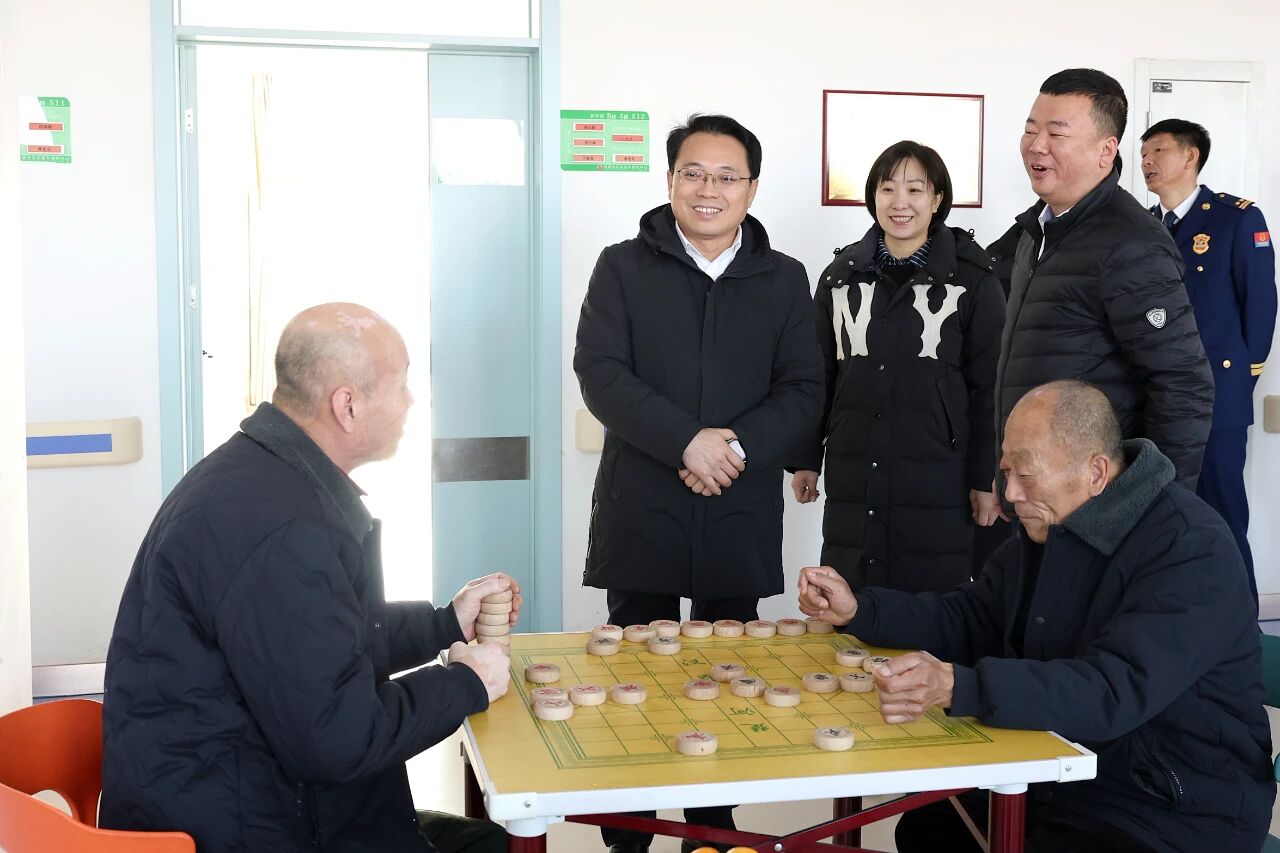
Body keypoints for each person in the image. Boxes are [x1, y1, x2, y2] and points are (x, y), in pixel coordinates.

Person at [102, 303, 514, 853]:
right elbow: (338, 740)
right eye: (402, 384)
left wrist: (445, 625)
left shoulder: (263, 476)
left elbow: (325, 641)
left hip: (241, 791)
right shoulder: (282, 528)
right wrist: (465, 684)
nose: (412, 401)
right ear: (347, 405)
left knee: (486, 841)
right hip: (239, 826)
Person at [797, 380, 1274, 853]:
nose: (1010, 493)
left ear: (1096, 472)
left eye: (1026, 475)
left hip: (1167, 804)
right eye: (1006, 472)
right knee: (929, 829)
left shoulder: (1189, 547)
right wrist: (861, 609)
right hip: (1058, 768)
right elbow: (972, 617)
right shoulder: (1054, 522)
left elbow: (1113, 689)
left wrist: (958, 687)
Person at [573, 113, 824, 853]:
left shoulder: (784, 278)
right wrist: (685, 440)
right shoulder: (622, 266)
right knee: (633, 677)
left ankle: (712, 830)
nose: (708, 189)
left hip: (737, 502)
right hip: (643, 502)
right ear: (670, 179)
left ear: (751, 188)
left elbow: (803, 388)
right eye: (693, 172)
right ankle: (628, 833)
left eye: (726, 176)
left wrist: (731, 448)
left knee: (728, 672)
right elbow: (600, 373)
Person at [791, 140, 1005, 593]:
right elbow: (818, 375)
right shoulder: (840, 276)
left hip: (940, 474)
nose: (899, 203)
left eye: (915, 190)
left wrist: (986, 476)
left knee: (932, 604)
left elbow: (991, 387)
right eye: (887, 189)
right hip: (854, 469)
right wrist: (806, 457)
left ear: (937, 199)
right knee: (851, 599)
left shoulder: (973, 279)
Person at [997, 68, 1214, 492]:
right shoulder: (1036, 233)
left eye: (1057, 133)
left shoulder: (1132, 243)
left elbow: (1183, 385)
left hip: (1091, 499)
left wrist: (1153, 504)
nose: (1037, 145)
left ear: (1105, 150)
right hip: (1036, 490)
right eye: (1031, 130)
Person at [1140, 117, 1277, 598]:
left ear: (1190, 156)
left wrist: (1241, 379)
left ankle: (1242, 622)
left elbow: (1261, 307)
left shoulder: (1235, 218)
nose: (1147, 162)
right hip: (1156, 397)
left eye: (1157, 151)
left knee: (1222, 513)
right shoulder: (1144, 225)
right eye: (1143, 154)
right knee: (1159, 516)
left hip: (1219, 395)